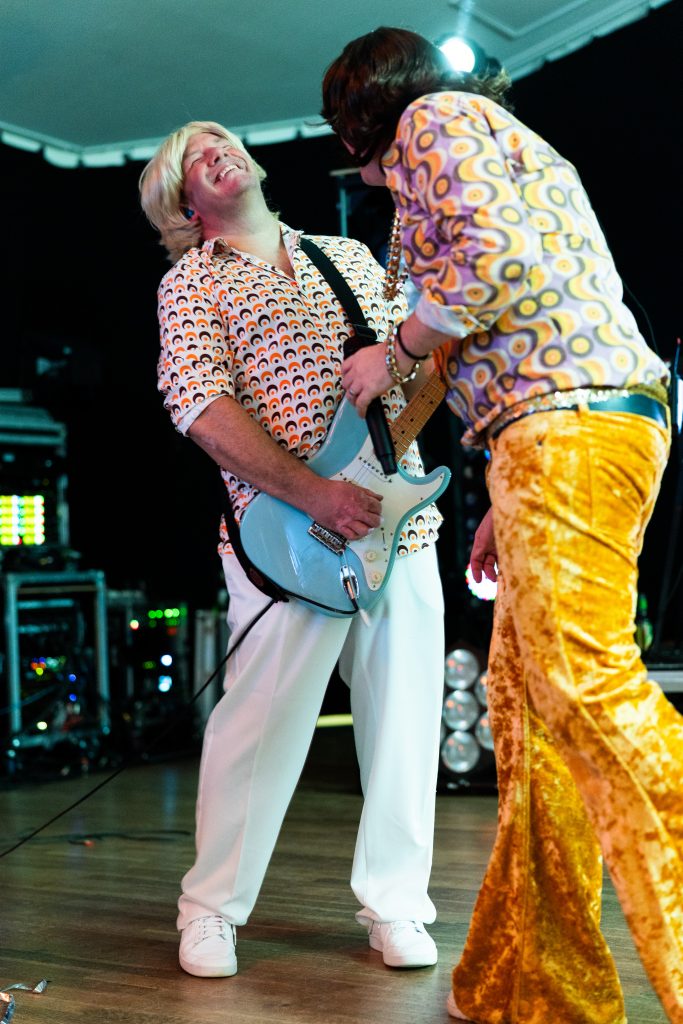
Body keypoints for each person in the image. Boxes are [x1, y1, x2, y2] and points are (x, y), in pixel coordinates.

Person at [321, 26, 683, 1024]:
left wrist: (392, 347)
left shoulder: (435, 120)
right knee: (525, 721)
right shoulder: (470, 147)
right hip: (549, 435)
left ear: (357, 116)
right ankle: (534, 988)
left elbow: (492, 259)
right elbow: (478, 326)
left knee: (577, 684)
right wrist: (498, 499)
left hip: (568, 423)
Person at [138, 120, 447, 979]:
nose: (216, 150)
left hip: (400, 525)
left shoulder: (346, 257)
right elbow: (198, 406)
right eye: (193, 157)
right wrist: (315, 494)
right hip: (286, 538)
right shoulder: (192, 283)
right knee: (260, 726)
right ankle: (210, 911)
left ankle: (396, 905)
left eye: (220, 138)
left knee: (406, 723)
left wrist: (424, 354)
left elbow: (417, 372)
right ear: (184, 205)